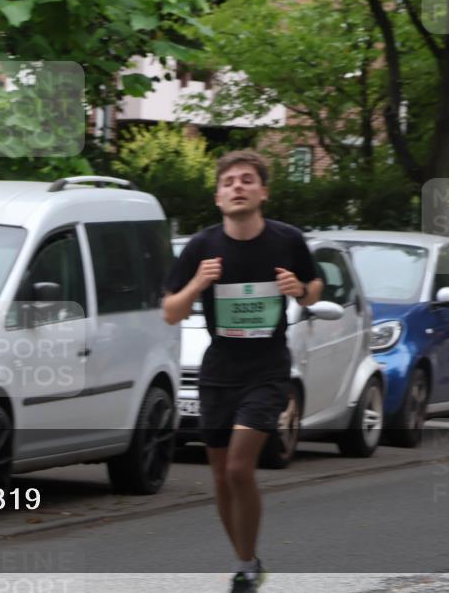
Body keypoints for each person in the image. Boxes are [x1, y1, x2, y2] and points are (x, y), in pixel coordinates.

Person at [163, 150, 322, 593]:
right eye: (230, 181)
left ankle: (246, 567)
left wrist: (301, 291)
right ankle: (246, 560)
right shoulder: (202, 247)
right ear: (218, 197)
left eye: (247, 180)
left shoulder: (286, 240)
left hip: (268, 370)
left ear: (263, 192)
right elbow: (170, 312)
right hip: (218, 371)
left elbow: (314, 287)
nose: (238, 186)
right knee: (218, 474)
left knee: (237, 468)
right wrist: (197, 283)